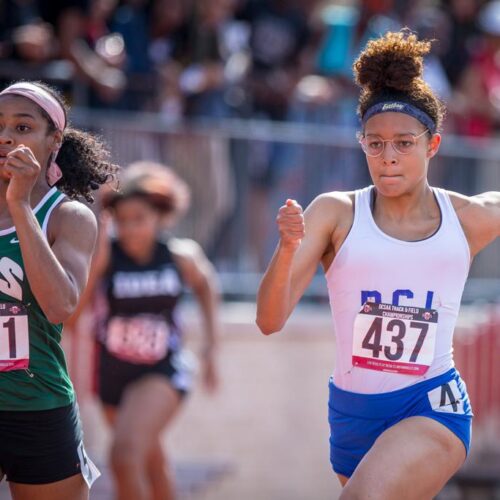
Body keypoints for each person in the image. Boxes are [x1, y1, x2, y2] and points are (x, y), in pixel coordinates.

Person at [255, 30, 496, 499]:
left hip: (431, 405)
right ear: (361, 143)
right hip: (351, 414)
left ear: (433, 145)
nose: (388, 159)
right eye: (375, 144)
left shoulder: (469, 218)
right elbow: (268, 320)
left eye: (404, 144)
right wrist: (286, 249)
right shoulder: (334, 213)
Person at [73, 161, 220, 500]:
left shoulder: (180, 256)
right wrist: (97, 262)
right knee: (150, 462)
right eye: (121, 221)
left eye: (138, 219)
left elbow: (207, 285)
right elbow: (72, 316)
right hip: (112, 375)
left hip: (161, 371)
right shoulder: (107, 258)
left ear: (158, 215)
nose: (129, 230)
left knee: (123, 457)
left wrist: (211, 347)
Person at [0, 80, 117, 499]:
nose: (6, 136)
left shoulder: (69, 216)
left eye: (23, 127)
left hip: (38, 406)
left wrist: (19, 205)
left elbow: (60, 306)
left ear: (55, 141)